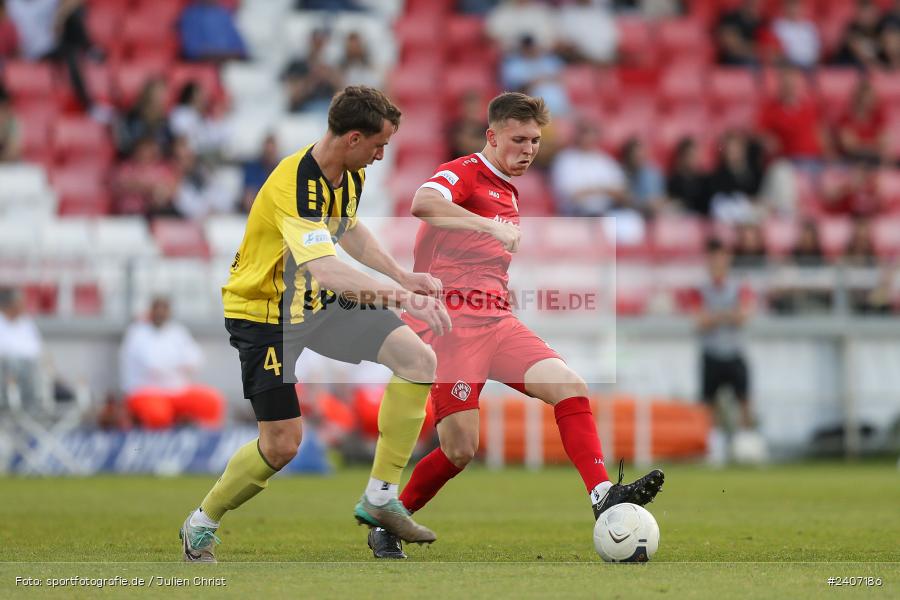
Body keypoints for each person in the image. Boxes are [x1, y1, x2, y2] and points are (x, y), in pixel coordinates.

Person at [366, 92, 665, 559]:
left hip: (497, 320)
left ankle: (602, 493)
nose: (528, 149)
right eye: (518, 139)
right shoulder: (467, 172)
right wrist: (489, 228)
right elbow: (422, 203)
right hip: (452, 326)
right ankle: (388, 518)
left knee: (570, 385)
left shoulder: (508, 188)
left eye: (536, 141)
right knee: (461, 450)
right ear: (493, 135)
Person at [179, 86, 452, 562]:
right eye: (377, 144)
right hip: (266, 314)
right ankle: (201, 522)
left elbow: (347, 229)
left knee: (417, 358)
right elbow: (327, 268)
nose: (381, 155)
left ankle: (381, 498)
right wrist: (402, 295)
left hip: (317, 303)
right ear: (351, 137)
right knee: (282, 445)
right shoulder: (295, 182)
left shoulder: (347, 174)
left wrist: (400, 273)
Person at [120, 296, 225, 429]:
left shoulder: (177, 331)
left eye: (164, 309)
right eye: (157, 308)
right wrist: (179, 364)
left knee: (212, 401)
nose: (160, 312)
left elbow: (196, 359)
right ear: (150, 310)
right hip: (145, 392)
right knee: (158, 415)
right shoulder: (137, 332)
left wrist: (174, 364)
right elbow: (154, 365)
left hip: (177, 391)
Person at [696, 239, 757, 465]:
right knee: (708, 404)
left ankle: (747, 447)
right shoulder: (701, 288)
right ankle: (714, 448)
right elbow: (700, 320)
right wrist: (727, 315)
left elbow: (744, 315)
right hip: (711, 352)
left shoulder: (738, 286)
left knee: (745, 401)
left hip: (734, 351)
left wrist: (716, 316)